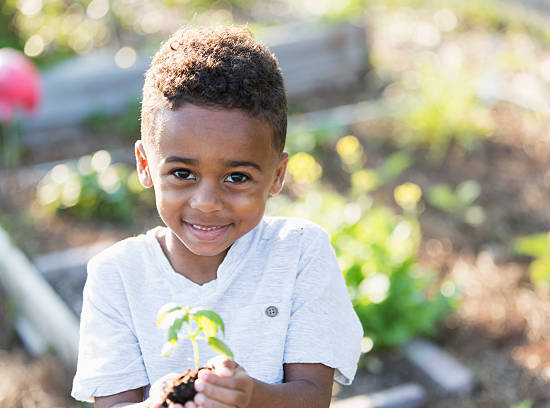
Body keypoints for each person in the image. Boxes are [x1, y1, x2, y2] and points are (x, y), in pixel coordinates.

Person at [71, 25, 363, 408]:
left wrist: (250, 395)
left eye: (237, 177)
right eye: (182, 173)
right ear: (144, 164)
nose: (207, 202)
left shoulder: (299, 254)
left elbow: (313, 396)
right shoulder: (118, 276)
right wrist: (160, 402)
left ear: (277, 175)